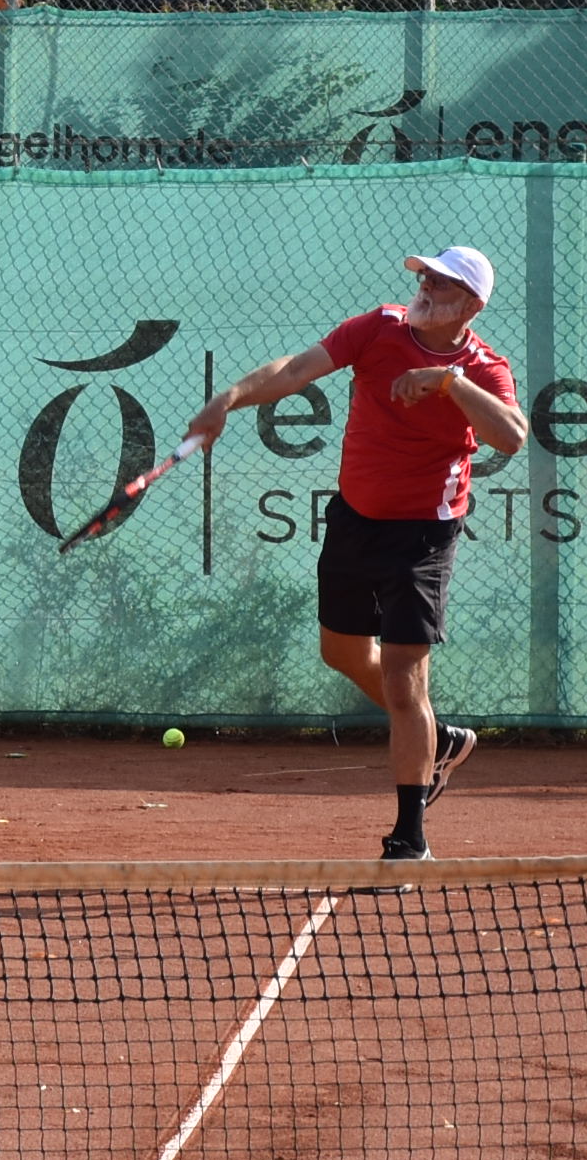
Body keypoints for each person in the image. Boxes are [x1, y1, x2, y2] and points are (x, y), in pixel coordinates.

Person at [185, 247, 528, 862]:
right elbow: (296, 369)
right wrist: (228, 398)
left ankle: (410, 837)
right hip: (354, 520)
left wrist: (449, 382)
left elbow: (512, 435)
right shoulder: (378, 327)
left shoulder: (483, 367)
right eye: (425, 277)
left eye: (442, 283)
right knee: (341, 652)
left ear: (471, 306)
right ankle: (442, 740)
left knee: (403, 680)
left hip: (423, 536)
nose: (425, 287)